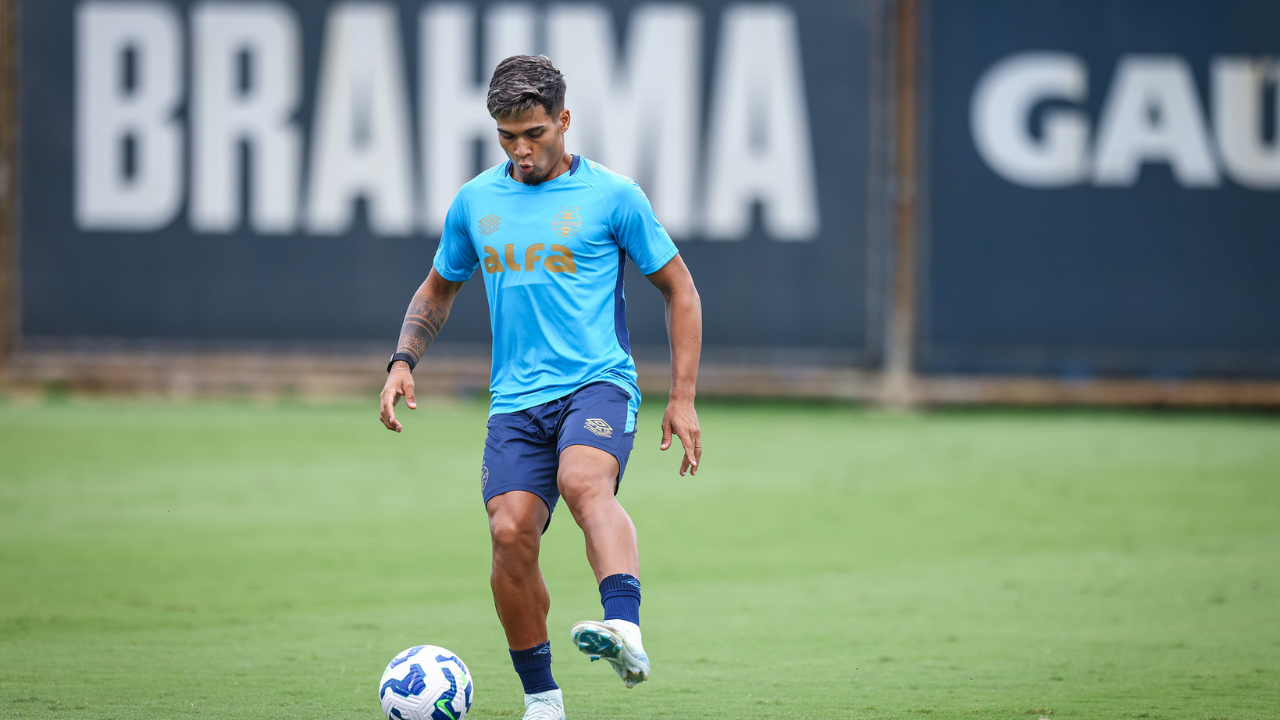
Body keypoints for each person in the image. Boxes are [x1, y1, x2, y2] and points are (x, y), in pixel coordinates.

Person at [378, 54, 703, 720]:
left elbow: (681, 290)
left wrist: (683, 397)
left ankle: (625, 630)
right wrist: (403, 358)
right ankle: (543, 701)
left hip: (597, 383)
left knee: (587, 485)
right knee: (509, 533)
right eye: (506, 136)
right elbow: (439, 288)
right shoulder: (476, 202)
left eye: (534, 134)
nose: (521, 150)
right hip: (517, 402)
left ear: (564, 120)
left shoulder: (613, 196)